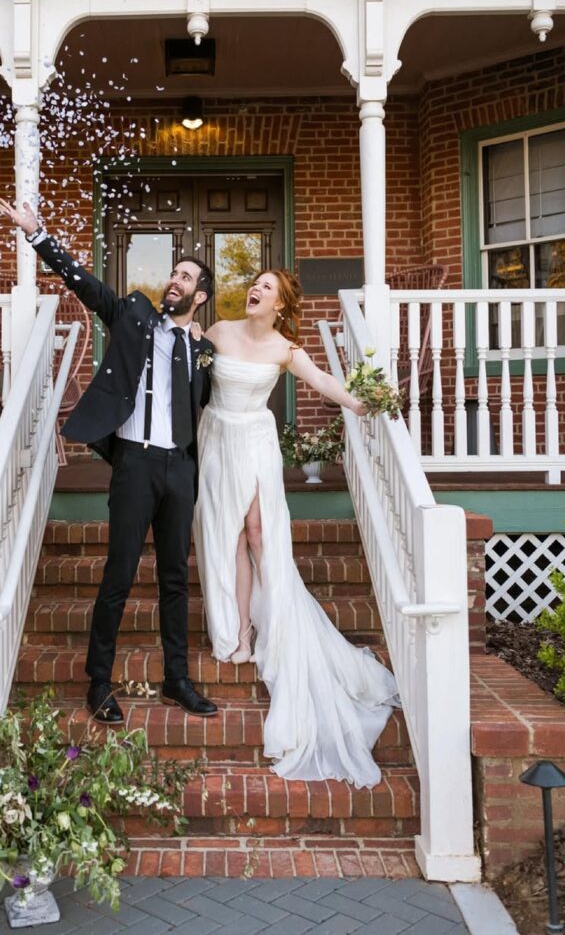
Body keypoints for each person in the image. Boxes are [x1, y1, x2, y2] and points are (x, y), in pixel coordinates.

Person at [0, 198, 218, 724]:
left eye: (185, 277)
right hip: (136, 465)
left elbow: (204, 399)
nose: (174, 281)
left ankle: (177, 680)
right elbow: (84, 284)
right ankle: (99, 683)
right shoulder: (133, 315)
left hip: (180, 469)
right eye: (174, 273)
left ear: (201, 296)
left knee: (175, 579)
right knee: (118, 574)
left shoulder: (200, 348)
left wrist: (200, 350)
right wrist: (37, 234)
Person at [193, 269, 399, 786]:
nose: (255, 290)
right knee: (230, 536)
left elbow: (324, 381)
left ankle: (279, 621)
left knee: (259, 533)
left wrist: (360, 401)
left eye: (267, 287)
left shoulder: (285, 349)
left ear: (281, 304)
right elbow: (190, 368)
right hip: (218, 437)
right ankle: (240, 632)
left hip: (256, 439)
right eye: (255, 284)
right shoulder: (219, 331)